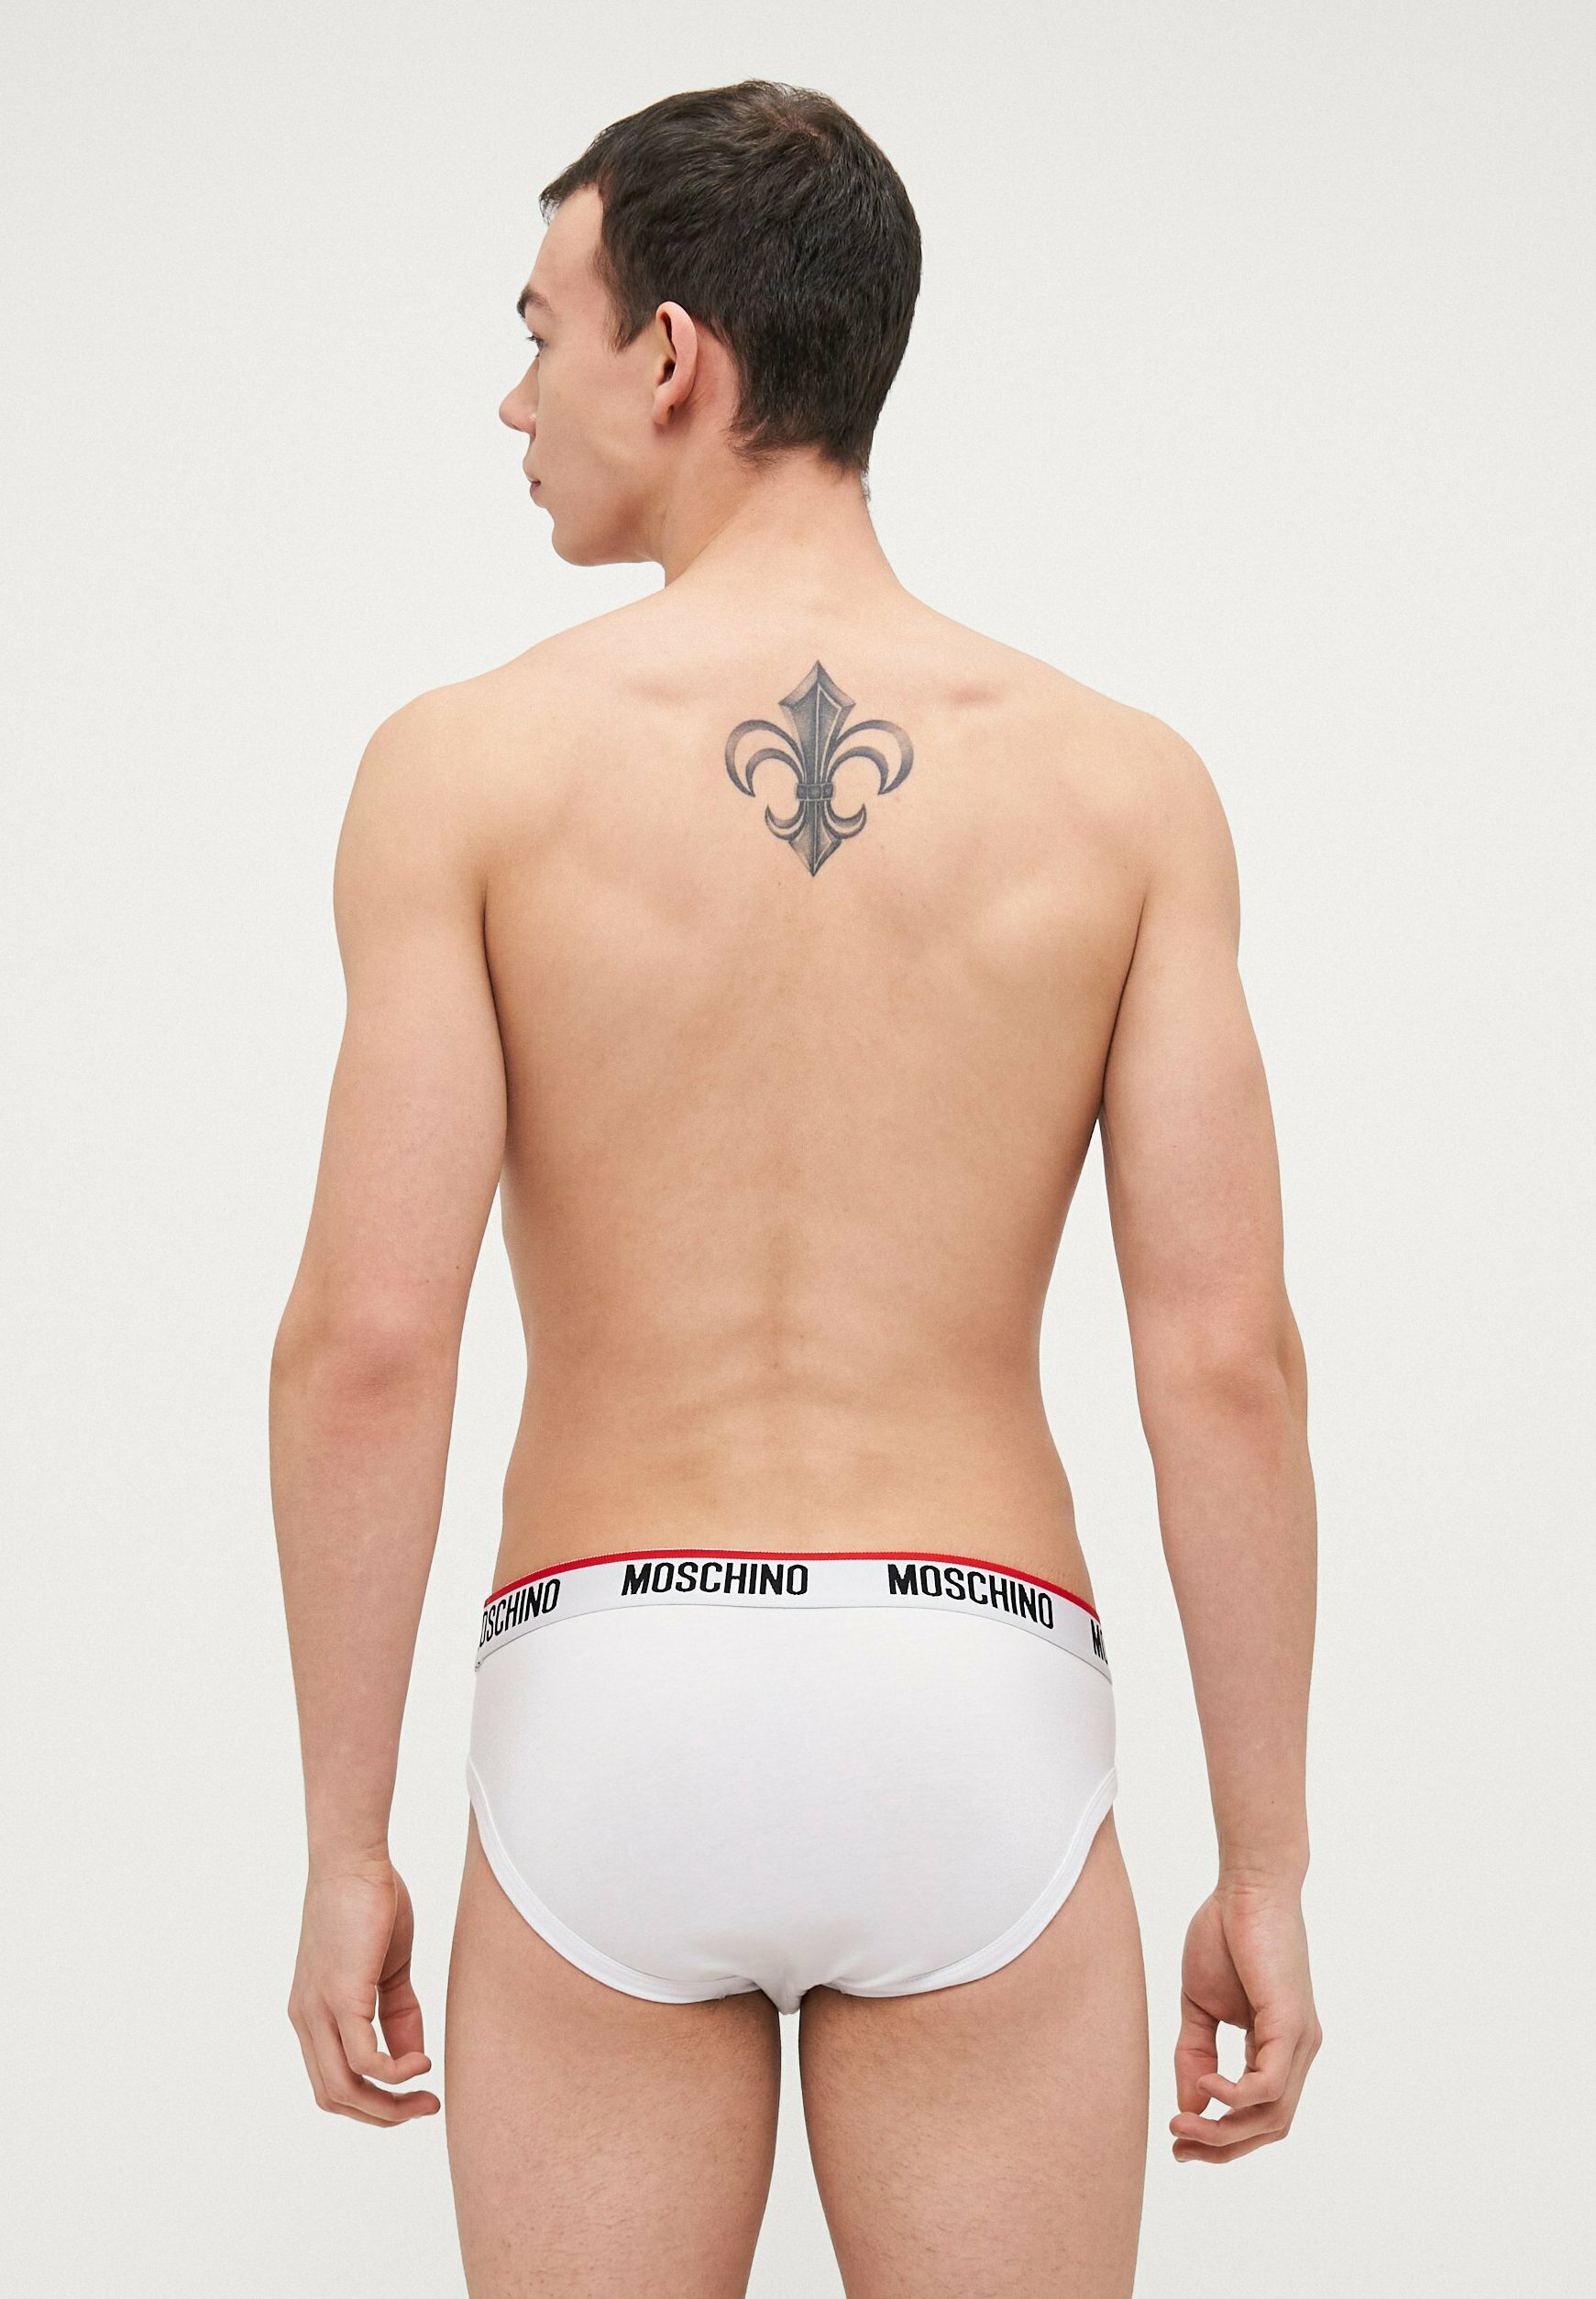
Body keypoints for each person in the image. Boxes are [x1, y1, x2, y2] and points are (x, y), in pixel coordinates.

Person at [270, 78, 1320, 2298]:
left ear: (671, 356)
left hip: (609, 1676)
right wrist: (1266, 1860)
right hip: (972, 1677)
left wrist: (344, 1837)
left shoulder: (463, 770)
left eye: (539, 330)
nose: (514, 397)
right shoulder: (1123, 791)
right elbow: (1223, 1356)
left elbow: (370, 1342)